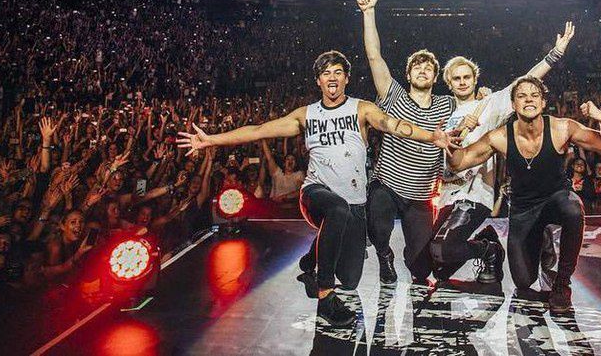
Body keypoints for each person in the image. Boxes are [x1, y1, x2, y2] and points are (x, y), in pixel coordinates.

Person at [177, 50, 455, 326]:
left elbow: (392, 125)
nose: (332, 77)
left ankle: (310, 262)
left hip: (355, 204)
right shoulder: (306, 115)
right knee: (337, 209)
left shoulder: (362, 109)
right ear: (318, 80)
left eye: (338, 72)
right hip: (316, 194)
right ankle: (325, 296)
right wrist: (211, 139)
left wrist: (431, 137)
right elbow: (258, 130)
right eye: (326, 73)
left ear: (346, 78)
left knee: (350, 278)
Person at [447, 76, 601, 312]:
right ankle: (538, 240)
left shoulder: (562, 128)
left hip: (555, 199)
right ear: (513, 104)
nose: (528, 99)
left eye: (534, 95)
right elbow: (460, 162)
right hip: (523, 209)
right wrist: (453, 142)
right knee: (523, 281)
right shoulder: (500, 137)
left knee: (573, 208)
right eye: (521, 96)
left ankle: (562, 283)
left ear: (542, 102)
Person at [433, 21, 576, 284]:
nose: (462, 82)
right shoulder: (445, 111)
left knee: (444, 250)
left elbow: (525, 83)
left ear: (475, 79)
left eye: (467, 77)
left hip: (473, 194)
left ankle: (490, 250)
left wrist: (555, 54)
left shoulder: (489, 104)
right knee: (439, 265)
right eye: (456, 78)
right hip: (446, 195)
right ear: (449, 83)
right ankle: (486, 241)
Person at [356, 0, 457, 285]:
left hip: (421, 196)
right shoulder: (394, 95)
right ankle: (383, 252)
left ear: (435, 77)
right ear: (408, 75)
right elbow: (374, 55)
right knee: (377, 224)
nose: (423, 70)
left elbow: (477, 105)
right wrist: (369, 13)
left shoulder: (447, 104)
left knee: (421, 270)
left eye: (429, 68)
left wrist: (483, 94)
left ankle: (410, 259)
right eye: (417, 67)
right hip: (387, 186)